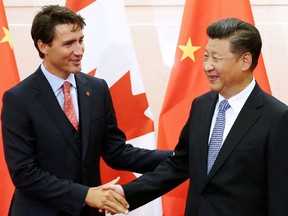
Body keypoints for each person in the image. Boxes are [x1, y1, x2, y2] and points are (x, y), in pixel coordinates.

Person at [104, 18, 288, 215]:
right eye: (206, 57)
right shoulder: (201, 106)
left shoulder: (276, 118)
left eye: (216, 59)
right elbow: (180, 164)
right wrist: (126, 193)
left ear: (245, 61)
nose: (207, 66)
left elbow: (281, 196)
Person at [1, 5, 172, 216]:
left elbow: (116, 152)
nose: (79, 51)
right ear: (43, 46)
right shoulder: (19, 99)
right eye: (69, 44)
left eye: (81, 40)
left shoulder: (97, 89)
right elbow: (24, 173)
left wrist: (178, 157)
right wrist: (83, 195)